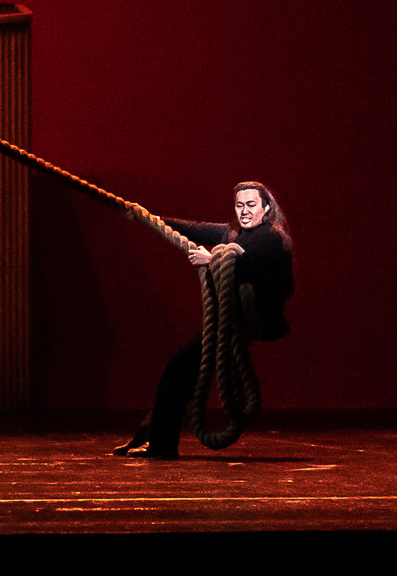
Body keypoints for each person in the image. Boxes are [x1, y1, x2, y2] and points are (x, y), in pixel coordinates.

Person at [113, 181, 296, 458]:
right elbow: (194, 227)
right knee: (181, 372)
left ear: (266, 207)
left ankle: (157, 441)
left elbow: (251, 262)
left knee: (178, 369)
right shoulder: (231, 232)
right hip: (230, 321)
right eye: (239, 205)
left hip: (249, 320)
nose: (245, 211)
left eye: (251, 205)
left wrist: (211, 260)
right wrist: (147, 217)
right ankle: (151, 438)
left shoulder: (270, 236)